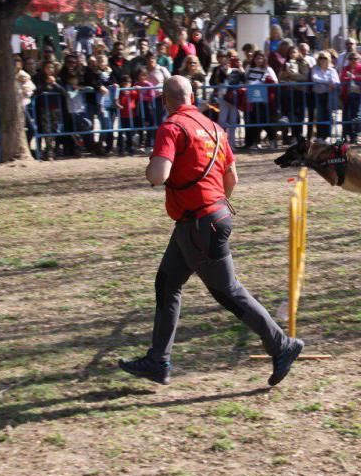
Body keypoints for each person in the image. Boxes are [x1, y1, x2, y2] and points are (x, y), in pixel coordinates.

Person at [118, 76, 302, 386]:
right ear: (192, 96)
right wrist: (213, 206)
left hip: (199, 223)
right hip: (206, 218)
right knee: (167, 283)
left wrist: (151, 167)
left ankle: (281, 344)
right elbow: (232, 180)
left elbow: (158, 175)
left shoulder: (171, 127)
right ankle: (158, 361)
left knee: (228, 291)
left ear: (165, 101)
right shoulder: (215, 129)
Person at [243, 50, 278, 150]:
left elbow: (275, 82)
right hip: (251, 99)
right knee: (253, 121)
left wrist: (266, 81)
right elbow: (246, 80)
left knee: (265, 120)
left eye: (261, 58)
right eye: (257, 58)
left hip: (264, 99)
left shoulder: (268, 69)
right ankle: (255, 142)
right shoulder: (249, 68)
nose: (259, 60)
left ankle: (272, 140)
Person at [278, 44, 311, 144]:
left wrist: (292, 75)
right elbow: (280, 77)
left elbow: (304, 77)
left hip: (299, 91)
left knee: (299, 116)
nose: (292, 54)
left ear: (298, 53)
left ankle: (298, 136)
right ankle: (293, 136)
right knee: (291, 115)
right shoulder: (285, 63)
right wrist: (284, 74)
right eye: (290, 52)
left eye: (294, 52)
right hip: (288, 92)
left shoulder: (303, 63)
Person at [339, 51, 361, 144]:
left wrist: (353, 77)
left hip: (358, 96)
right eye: (351, 59)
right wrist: (355, 77)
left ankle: (354, 136)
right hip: (346, 95)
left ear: (359, 59)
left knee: (356, 116)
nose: (353, 61)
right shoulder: (345, 68)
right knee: (345, 116)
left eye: (355, 59)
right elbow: (343, 78)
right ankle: (344, 136)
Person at [310, 52, 340, 141]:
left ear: (328, 59)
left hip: (329, 95)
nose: (323, 60)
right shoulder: (315, 69)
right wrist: (328, 82)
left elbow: (336, 82)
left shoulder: (332, 70)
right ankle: (320, 136)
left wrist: (329, 83)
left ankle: (328, 136)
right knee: (320, 115)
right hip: (319, 95)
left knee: (329, 115)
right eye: (321, 58)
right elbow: (315, 78)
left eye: (325, 58)